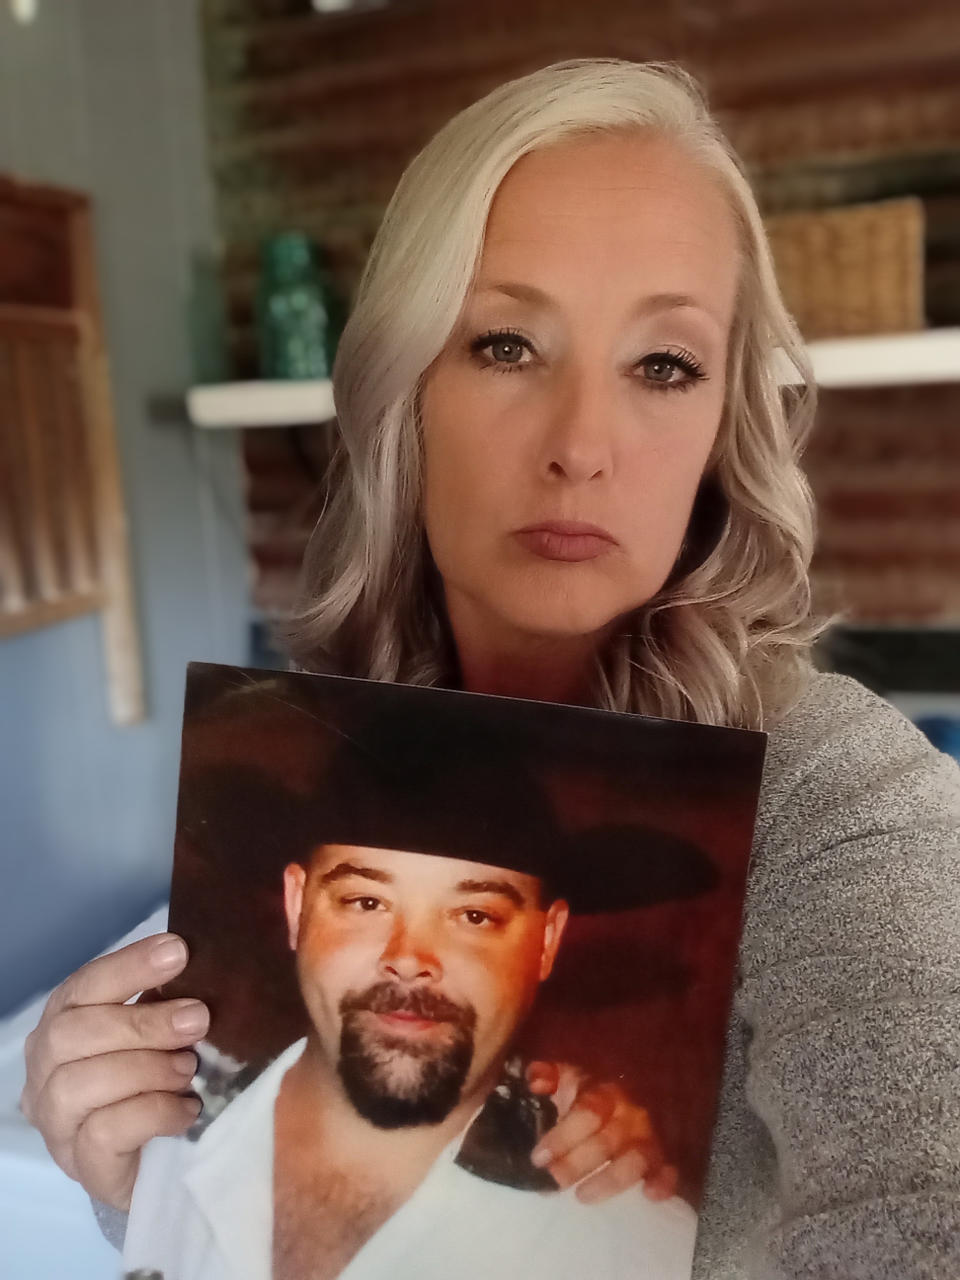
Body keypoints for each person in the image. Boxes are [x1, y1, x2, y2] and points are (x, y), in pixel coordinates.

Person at [20, 57, 960, 1280]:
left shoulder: (835, 794)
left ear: (724, 430)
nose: (582, 445)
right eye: (507, 343)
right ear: (404, 389)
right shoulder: (302, 747)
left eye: (664, 365)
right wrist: (135, 1174)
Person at [122, 717, 717, 1280]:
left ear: (547, 941)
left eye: (474, 915)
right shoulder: (156, 1112)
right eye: (365, 902)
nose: (410, 956)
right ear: (298, 906)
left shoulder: (635, 1250)